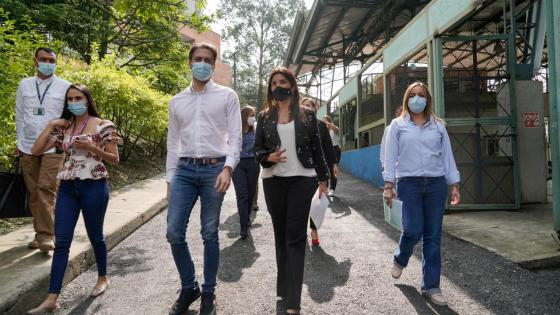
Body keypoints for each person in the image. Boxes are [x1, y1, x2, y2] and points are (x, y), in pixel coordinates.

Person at [26, 84, 119, 314]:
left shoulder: (103, 125)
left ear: (87, 100)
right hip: (67, 187)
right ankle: (52, 298)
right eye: (70, 98)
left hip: (94, 187)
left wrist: (91, 147)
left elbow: (114, 158)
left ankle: (103, 277)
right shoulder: (64, 128)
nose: (74, 101)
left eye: (78, 97)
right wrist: (50, 125)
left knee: (95, 236)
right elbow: (36, 150)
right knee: (62, 243)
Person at [166, 43, 241, 315]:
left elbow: (236, 137)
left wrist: (228, 168)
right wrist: (169, 179)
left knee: (209, 232)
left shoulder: (227, 96)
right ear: (189, 63)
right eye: (198, 59)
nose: (203, 64)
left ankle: (208, 292)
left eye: (208, 60)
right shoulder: (177, 101)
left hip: (214, 169)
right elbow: (173, 142)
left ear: (214, 64)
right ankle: (189, 287)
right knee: (174, 232)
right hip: (184, 171)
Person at [253, 67, 329, 314]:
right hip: (273, 181)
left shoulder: (306, 115)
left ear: (292, 86)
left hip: (302, 180)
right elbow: (257, 149)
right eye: (273, 82)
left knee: (295, 237)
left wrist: (323, 178)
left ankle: (293, 301)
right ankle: (284, 289)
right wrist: (269, 157)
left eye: (282, 81)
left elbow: (317, 149)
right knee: (280, 236)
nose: (277, 86)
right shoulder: (264, 117)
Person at [383, 81, 461, 306]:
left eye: (422, 94)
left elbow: (447, 156)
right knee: (413, 229)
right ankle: (401, 257)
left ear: (428, 99)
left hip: (436, 184)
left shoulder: (438, 126)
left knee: (433, 237)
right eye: (413, 94)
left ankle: (431, 286)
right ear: (407, 99)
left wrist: (454, 184)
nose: (417, 98)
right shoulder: (397, 126)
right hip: (409, 183)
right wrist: (389, 185)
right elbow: (390, 157)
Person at [15, 47, 70, 252]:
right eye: (44, 59)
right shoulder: (25, 84)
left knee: (47, 188)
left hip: (52, 147)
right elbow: (20, 115)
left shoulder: (64, 86)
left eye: (52, 60)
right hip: (28, 145)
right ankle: (40, 233)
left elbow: (68, 117)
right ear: (35, 61)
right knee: (34, 191)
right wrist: (19, 142)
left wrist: (61, 140)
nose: (48, 63)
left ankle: (47, 236)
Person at [301, 97, 338, 246]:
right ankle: (301, 229)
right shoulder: (295, 125)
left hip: (320, 169)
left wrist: (334, 164)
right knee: (302, 201)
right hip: (302, 169)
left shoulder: (321, 126)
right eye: (304, 105)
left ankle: (314, 230)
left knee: (317, 203)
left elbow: (328, 147)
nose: (307, 108)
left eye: (310, 105)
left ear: (315, 109)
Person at [232, 105, 260, 239]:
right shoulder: (235, 130)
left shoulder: (256, 129)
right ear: (244, 117)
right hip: (238, 165)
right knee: (242, 194)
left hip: (253, 164)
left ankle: (246, 217)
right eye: (251, 115)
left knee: (250, 194)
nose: (253, 118)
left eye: (254, 115)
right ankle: (243, 225)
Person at [380, 105, 403, 170]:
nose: (400, 117)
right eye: (399, 115)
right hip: (392, 166)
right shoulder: (388, 129)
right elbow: (383, 147)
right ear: (396, 115)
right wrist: (383, 164)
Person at [322, 115, 340, 196]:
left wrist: (328, 123)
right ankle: (326, 188)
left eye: (326, 121)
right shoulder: (323, 131)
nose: (324, 123)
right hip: (325, 151)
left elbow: (337, 130)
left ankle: (332, 189)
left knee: (333, 169)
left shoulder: (333, 129)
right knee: (325, 169)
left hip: (335, 150)